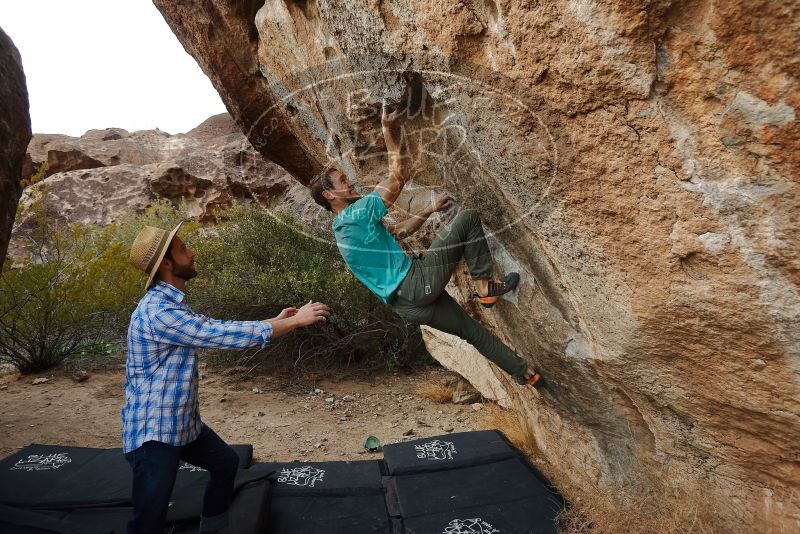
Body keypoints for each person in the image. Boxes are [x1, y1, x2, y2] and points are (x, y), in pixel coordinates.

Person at [310, 102, 541, 388]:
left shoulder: (342, 230)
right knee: (468, 219)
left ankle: (525, 374)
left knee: (472, 332)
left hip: (408, 306)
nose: (351, 182)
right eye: (344, 180)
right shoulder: (356, 214)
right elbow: (398, 175)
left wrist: (429, 209)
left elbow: (398, 233)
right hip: (416, 284)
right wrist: (387, 129)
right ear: (331, 194)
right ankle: (484, 287)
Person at [123, 223, 330, 533]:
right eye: (183, 249)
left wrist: (273, 321)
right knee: (148, 520)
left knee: (225, 463)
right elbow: (219, 335)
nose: (192, 253)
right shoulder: (158, 312)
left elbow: (213, 325)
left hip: (180, 424)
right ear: (166, 264)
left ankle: (214, 527)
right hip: (154, 432)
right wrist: (296, 322)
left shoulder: (170, 305)